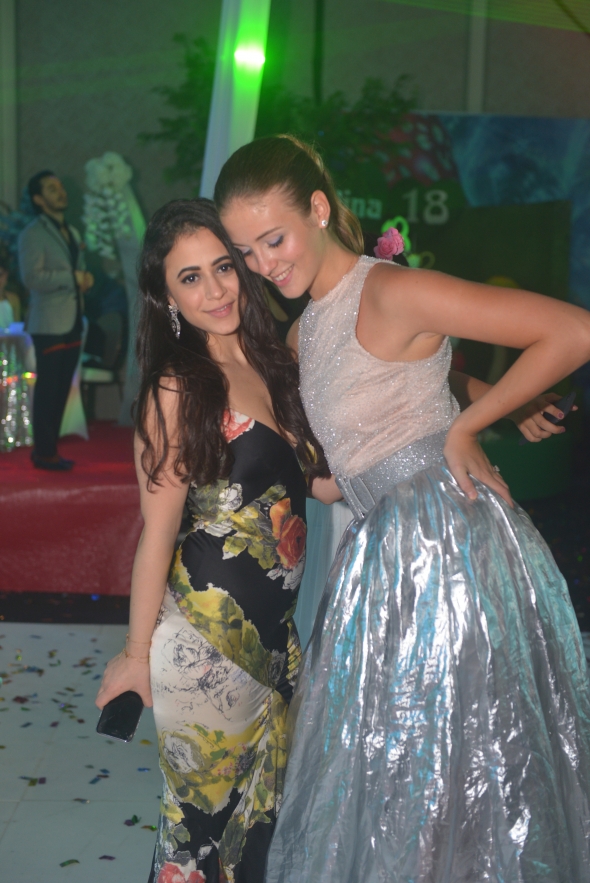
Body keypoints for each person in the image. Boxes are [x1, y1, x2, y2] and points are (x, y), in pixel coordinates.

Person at [215, 135, 590, 883]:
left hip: (445, 549)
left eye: (274, 239)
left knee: (462, 762)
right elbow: (380, 413)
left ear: (319, 209)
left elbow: (572, 330)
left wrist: (469, 425)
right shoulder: (302, 330)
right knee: (399, 771)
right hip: (377, 557)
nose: (263, 264)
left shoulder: (389, 290)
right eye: (247, 252)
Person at [95, 199, 334, 883]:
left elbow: (317, 483)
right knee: (196, 846)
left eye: (223, 267)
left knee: (257, 836)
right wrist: (135, 655)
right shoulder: (176, 388)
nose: (216, 289)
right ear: (167, 299)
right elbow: (156, 534)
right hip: (206, 649)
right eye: (191, 278)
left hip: (277, 643)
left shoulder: (271, 361)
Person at [18, 170, 93, 470]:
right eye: (51, 189)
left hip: (72, 317)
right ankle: (44, 452)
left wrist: (85, 279)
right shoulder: (32, 233)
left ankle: (48, 450)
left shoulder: (72, 231)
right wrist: (72, 278)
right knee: (49, 388)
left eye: (60, 187)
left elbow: (77, 270)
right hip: (48, 321)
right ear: (38, 199)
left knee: (62, 389)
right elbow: (31, 278)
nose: (60, 192)